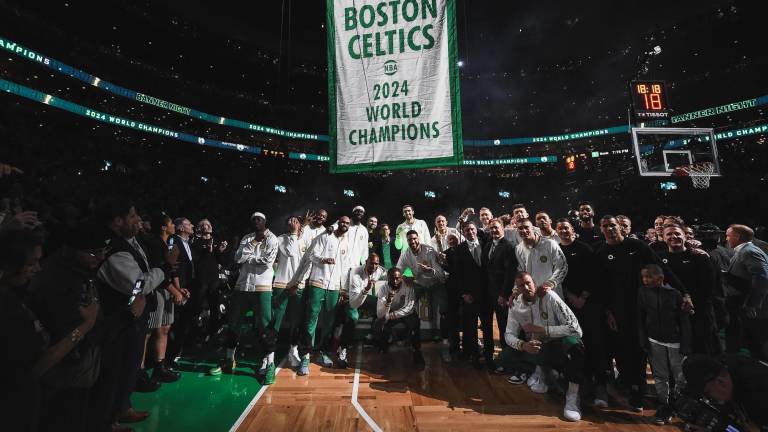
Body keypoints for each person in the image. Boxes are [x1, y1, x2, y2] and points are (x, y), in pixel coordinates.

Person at [594, 215, 689, 412]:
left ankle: (645, 392)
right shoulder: (601, 252)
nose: (610, 229)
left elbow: (662, 269)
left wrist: (684, 292)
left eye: (613, 225)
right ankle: (629, 385)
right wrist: (608, 312)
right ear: (601, 229)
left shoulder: (637, 246)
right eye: (606, 226)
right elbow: (601, 287)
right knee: (623, 349)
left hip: (644, 307)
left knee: (641, 349)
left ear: (620, 227)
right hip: (618, 309)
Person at [92, 199, 172, 432]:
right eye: (133, 215)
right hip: (119, 319)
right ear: (118, 221)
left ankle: (121, 408)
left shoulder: (131, 241)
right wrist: (165, 269)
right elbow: (138, 284)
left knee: (128, 367)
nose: (138, 220)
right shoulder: (113, 248)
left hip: (134, 318)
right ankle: (106, 421)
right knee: (113, 372)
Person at [24, 221, 107, 431]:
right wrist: (89, 324)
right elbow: (61, 329)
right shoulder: (53, 278)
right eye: (94, 252)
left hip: (77, 362)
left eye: (103, 251)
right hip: (62, 368)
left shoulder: (79, 269)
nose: (101, 257)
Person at [499, 272, 584, 422]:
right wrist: (523, 345)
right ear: (516, 289)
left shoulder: (549, 296)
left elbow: (576, 329)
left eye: (528, 283)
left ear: (534, 282)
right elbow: (508, 335)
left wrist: (543, 330)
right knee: (505, 357)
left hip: (559, 341)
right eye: (521, 285)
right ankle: (545, 374)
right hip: (539, 346)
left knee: (575, 346)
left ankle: (573, 397)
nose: (526, 287)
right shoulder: (515, 305)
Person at [211, 212, 279, 384]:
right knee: (233, 323)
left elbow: (267, 262)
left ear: (265, 221)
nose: (256, 221)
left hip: (262, 288)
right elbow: (238, 257)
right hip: (242, 286)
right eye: (253, 219)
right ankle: (228, 359)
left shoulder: (273, 239)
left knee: (265, 326)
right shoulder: (247, 237)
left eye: (259, 219)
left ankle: (269, 364)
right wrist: (254, 244)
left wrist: (249, 257)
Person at [288, 216, 353, 376]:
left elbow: (345, 269)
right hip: (317, 282)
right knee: (311, 320)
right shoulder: (324, 236)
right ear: (337, 223)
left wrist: (344, 289)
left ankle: (322, 351)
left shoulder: (346, 243)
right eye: (342, 221)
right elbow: (310, 255)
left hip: (334, 287)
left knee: (329, 322)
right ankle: (305, 356)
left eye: (347, 223)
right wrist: (322, 260)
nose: (344, 224)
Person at [556, 218, 608, 408]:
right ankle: (579, 385)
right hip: (569, 305)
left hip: (589, 303)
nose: (563, 231)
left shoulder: (585, 249)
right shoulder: (557, 250)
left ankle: (601, 385)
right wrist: (571, 297)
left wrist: (583, 297)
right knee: (575, 345)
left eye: (566, 228)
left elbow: (594, 276)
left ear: (573, 230)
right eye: (560, 228)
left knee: (596, 344)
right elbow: (559, 277)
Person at [637, 264, 691, 425]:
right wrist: (643, 339)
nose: (646, 280)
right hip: (654, 340)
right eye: (644, 277)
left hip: (675, 342)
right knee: (660, 375)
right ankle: (663, 404)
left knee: (679, 375)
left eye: (649, 276)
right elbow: (640, 317)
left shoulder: (675, 294)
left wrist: (686, 344)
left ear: (660, 278)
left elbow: (684, 321)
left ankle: (677, 404)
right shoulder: (642, 293)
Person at [137, 213, 184, 390]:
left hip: (167, 290)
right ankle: (139, 372)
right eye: (172, 223)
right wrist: (174, 290)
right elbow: (158, 273)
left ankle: (160, 366)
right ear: (164, 227)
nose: (174, 225)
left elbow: (171, 271)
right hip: (156, 290)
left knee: (164, 328)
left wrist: (178, 289)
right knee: (148, 332)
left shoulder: (167, 243)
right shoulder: (154, 244)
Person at [659, 225, 719, 355]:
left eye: (677, 233)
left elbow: (708, 287)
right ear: (663, 238)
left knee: (702, 348)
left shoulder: (700, 256)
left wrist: (691, 305)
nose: (673, 236)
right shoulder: (659, 259)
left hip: (699, 311)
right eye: (669, 234)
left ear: (685, 236)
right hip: (673, 312)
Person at [682, 354, 768, 428]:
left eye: (707, 393)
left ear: (720, 382)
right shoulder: (725, 364)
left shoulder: (757, 397)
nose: (708, 399)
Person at [396, 229, 447, 354]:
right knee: (407, 307)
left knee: (444, 310)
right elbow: (397, 271)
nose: (412, 241)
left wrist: (430, 271)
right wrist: (403, 277)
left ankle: (445, 342)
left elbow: (441, 275)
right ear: (407, 242)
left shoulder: (429, 250)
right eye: (409, 240)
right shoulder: (406, 254)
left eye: (414, 238)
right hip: (420, 284)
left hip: (436, 283)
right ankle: (410, 337)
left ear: (418, 238)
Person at [334, 253, 386, 368]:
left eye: (376, 264)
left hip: (363, 295)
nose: (374, 266)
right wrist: (367, 289)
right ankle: (342, 351)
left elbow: (386, 272)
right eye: (371, 263)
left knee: (383, 306)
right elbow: (355, 302)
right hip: (351, 298)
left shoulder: (379, 270)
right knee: (353, 318)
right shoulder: (356, 274)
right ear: (366, 262)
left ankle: (375, 338)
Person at [725, 224, 768, 360]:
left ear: (737, 237)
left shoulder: (749, 251)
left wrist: (753, 304)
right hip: (743, 303)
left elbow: (762, 277)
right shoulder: (745, 250)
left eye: (728, 235)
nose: (726, 238)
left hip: (751, 306)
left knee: (756, 341)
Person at [453, 222, 493, 367]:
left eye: (472, 229)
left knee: (488, 328)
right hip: (470, 296)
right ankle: (475, 357)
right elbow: (457, 274)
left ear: (477, 230)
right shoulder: (458, 249)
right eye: (467, 230)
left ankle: (489, 358)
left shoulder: (487, 244)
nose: (470, 232)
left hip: (486, 295)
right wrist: (464, 294)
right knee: (470, 329)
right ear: (463, 233)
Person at [271, 216, 310, 369]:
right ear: (287, 225)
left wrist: (299, 283)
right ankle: (269, 356)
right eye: (290, 220)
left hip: (298, 286)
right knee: (275, 321)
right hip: (281, 284)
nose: (293, 222)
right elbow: (290, 252)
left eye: (296, 220)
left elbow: (308, 265)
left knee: (296, 322)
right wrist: (294, 234)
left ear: (300, 225)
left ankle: (293, 351)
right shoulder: (280, 239)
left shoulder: (306, 242)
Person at [374, 267, 424, 370]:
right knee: (378, 323)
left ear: (401, 278)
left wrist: (390, 316)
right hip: (390, 313)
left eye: (397, 278)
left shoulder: (408, 287)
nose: (395, 281)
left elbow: (408, 309)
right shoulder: (383, 289)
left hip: (405, 314)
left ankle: (416, 351)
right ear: (388, 278)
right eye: (392, 278)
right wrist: (388, 302)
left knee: (415, 322)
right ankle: (384, 345)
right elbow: (380, 313)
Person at [482, 219, 517, 353]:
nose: (494, 230)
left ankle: (506, 357)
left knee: (504, 327)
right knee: (487, 326)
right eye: (491, 228)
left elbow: (510, 274)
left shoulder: (509, 246)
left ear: (502, 228)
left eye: (496, 228)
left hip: (501, 294)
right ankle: (489, 354)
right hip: (488, 293)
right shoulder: (488, 244)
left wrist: (503, 295)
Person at [515, 218, 568, 298]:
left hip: (552, 293)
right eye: (520, 228)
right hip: (533, 295)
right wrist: (516, 290)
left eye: (526, 227)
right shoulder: (518, 249)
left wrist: (550, 284)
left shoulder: (550, 244)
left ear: (533, 228)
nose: (524, 230)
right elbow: (521, 273)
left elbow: (562, 267)